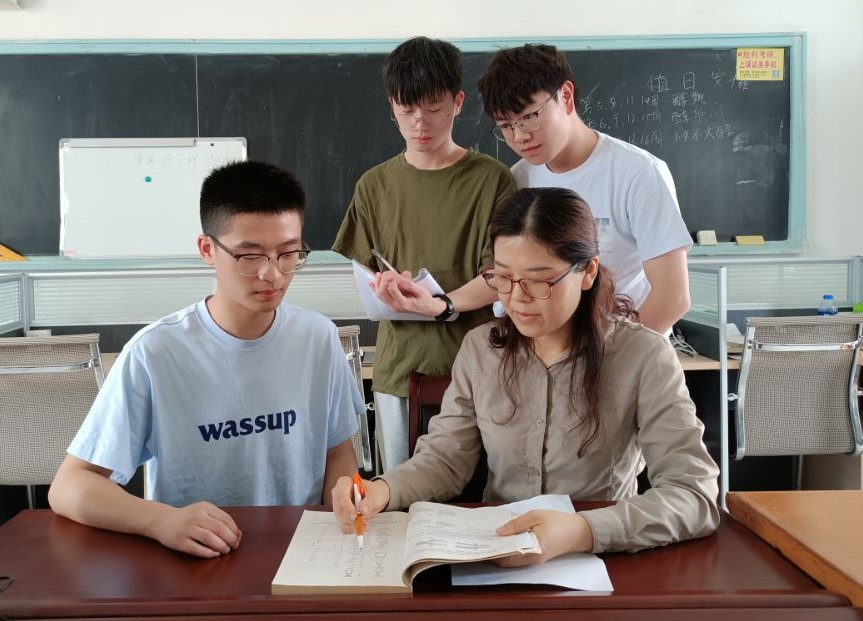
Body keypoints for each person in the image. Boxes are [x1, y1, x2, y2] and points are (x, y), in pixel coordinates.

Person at [333, 187, 719, 560]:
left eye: (539, 281)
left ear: (587, 272)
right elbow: (446, 459)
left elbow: (693, 494)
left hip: (604, 558)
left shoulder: (643, 355)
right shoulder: (481, 350)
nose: (517, 298)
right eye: (502, 278)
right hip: (496, 553)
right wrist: (383, 489)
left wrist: (582, 530)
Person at [49, 160, 364, 558]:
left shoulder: (318, 338)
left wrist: (344, 497)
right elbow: (69, 485)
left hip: (301, 552)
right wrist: (160, 520)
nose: (272, 274)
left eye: (288, 254)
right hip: (199, 556)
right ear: (207, 250)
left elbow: (337, 452)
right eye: (250, 256)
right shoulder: (155, 352)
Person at [332, 36, 515, 472]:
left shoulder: (493, 180)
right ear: (392, 107)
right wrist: (386, 287)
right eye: (407, 109)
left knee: (481, 498)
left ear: (457, 102)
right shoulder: (374, 186)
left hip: (478, 370)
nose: (420, 122)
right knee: (401, 495)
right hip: (399, 372)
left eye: (433, 107)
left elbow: (501, 274)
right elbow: (366, 274)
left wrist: (441, 304)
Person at [478, 44, 693, 335]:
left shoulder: (637, 172)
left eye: (529, 117)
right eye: (506, 125)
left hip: (623, 347)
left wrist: (613, 355)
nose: (520, 136)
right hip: (547, 352)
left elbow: (672, 298)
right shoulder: (519, 178)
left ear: (565, 96)